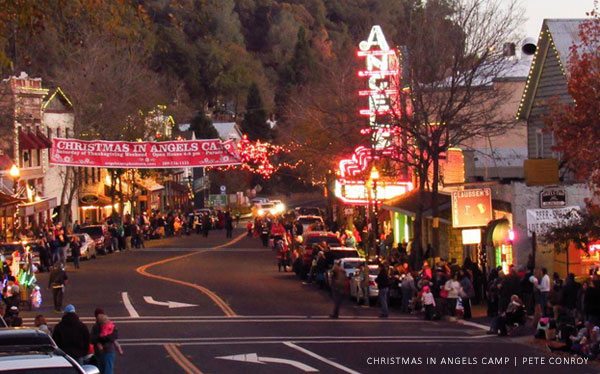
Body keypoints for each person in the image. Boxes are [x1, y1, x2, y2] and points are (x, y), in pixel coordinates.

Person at [91, 308, 120, 374]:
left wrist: (100, 340)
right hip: (108, 351)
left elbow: (92, 339)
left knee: (101, 370)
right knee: (108, 370)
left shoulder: (95, 327)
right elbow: (114, 336)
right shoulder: (111, 325)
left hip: (100, 353)